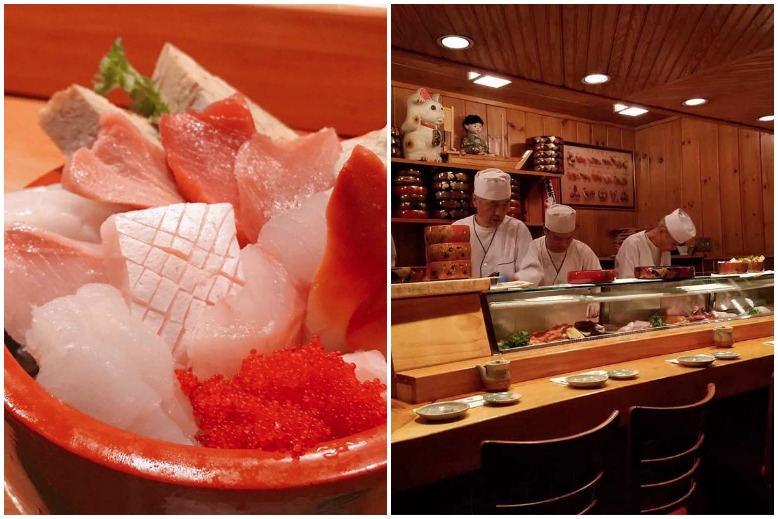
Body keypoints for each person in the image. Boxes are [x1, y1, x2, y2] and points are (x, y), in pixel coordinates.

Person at [453, 168, 543, 284]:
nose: (499, 212)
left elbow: (533, 271)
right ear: (475, 200)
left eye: (505, 205)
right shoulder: (458, 229)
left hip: (507, 294)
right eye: (493, 205)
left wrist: (511, 280)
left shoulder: (517, 229)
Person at [615, 208, 697, 278]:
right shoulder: (632, 243)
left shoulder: (665, 251)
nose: (675, 248)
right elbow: (626, 281)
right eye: (674, 244)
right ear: (662, 231)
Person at [532, 204, 601, 286]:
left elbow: (598, 283)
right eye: (558, 239)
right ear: (545, 231)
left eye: (569, 238)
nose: (564, 244)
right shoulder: (533, 250)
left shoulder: (583, 252)